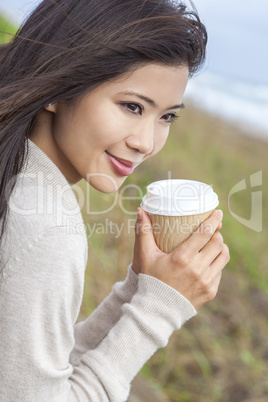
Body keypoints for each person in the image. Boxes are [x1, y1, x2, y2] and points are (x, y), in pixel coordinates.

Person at [0, 0, 230, 401]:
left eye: (167, 117)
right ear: (57, 87)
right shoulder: (46, 227)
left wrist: (139, 289)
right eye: (132, 106)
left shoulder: (20, 179)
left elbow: (26, 369)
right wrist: (159, 311)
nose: (146, 142)